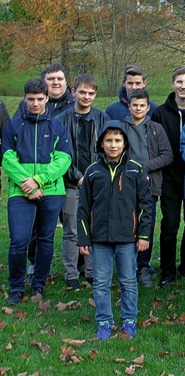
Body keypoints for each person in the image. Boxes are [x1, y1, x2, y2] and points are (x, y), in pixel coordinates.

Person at [77, 120, 153, 340]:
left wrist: (144, 235)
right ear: (101, 143)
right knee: (101, 281)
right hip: (100, 237)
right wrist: (84, 238)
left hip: (127, 238)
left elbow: (145, 205)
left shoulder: (135, 169)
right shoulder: (92, 171)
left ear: (124, 143)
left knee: (128, 280)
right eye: (108, 140)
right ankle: (104, 321)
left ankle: (129, 320)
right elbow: (83, 208)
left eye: (117, 140)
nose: (113, 145)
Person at [3, 78, 71, 304]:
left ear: (47, 98)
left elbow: (63, 159)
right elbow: (7, 157)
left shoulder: (57, 126)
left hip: (51, 191)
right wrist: (27, 184)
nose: (35, 103)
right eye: (31, 99)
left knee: (45, 239)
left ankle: (38, 284)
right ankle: (15, 287)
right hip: (20, 192)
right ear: (24, 98)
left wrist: (39, 181)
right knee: (19, 240)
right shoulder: (13, 126)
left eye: (40, 99)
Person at [57, 74, 111, 290]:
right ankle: (71, 273)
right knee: (71, 229)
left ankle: (91, 272)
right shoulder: (61, 120)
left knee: (94, 228)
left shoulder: (103, 119)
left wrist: (93, 176)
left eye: (91, 93)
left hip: (97, 183)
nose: (86, 96)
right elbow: (60, 153)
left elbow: (108, 149)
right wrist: (77, 177)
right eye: (82, 92)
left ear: (95, 94)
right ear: (74, 92)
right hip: (71, 183)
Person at [151, 65, 185, 287]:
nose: (183, 86)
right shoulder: (161, 113)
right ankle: (167, 271)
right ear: (173, 84)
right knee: (170, 224)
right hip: (169, 177)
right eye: (179, 81)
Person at [123, 88, 173, 286]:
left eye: (142, 105)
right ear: (129, 106)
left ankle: (143, 266)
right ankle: (128, 265)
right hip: (125, 186)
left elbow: (167, 155)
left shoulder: (155, 129)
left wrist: (144, 167)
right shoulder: (121, 127)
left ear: (148, 107)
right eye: (134, 105)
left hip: (148, 186)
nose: (138, 108)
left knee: (147, 226)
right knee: (127, 225)